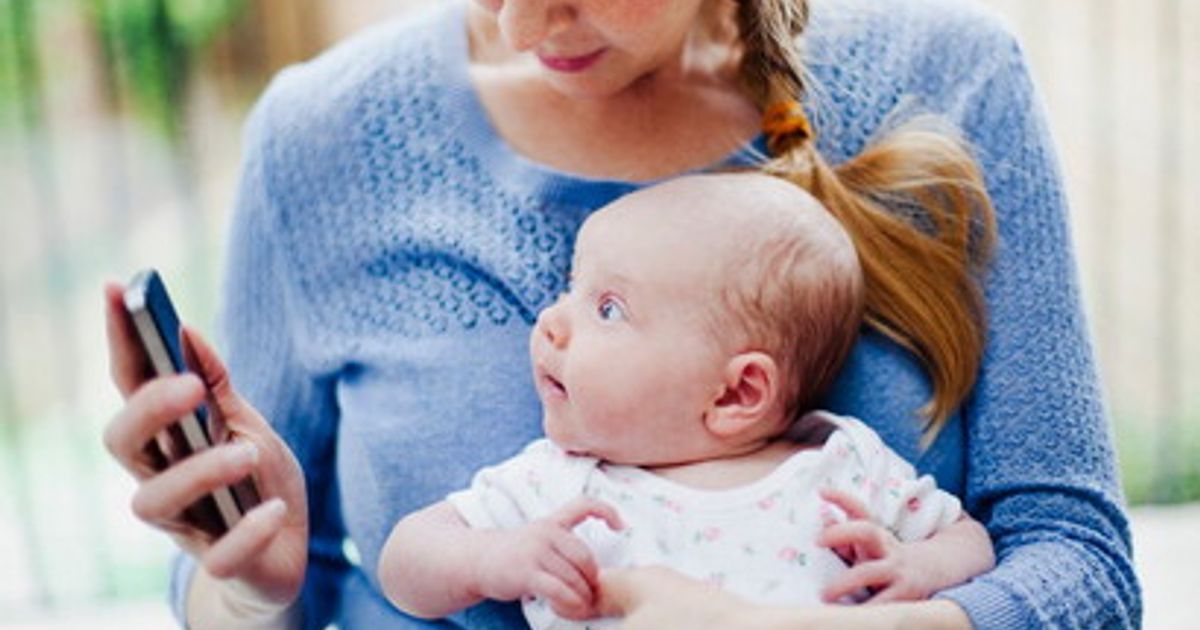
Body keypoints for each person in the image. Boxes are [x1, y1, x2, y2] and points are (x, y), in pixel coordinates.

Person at [100, 0, 1140, 627]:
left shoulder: (947, 76)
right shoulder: (320, 137)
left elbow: (1081, 569)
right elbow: (297, 590)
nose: (516, 24)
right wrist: (251, 587)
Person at [377, 172, 997, 628]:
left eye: (608, 308)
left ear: (736, 392)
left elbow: (971, 541)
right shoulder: (565, 485)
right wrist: (492, 558)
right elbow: (404, 563)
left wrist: (919, 570)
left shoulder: (842, 467)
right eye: (571, 289)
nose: (550, 322)